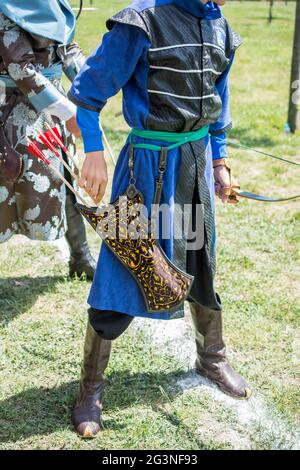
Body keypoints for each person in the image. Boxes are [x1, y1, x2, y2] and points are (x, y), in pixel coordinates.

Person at [69, 0, 252, 439]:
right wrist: (94, 151)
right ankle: (91, 387)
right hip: (145, 172)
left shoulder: (221, 26)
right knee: (125, 267)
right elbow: (89, 92)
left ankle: (211, 359)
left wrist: (219, 163)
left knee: (199, 263)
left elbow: (218, 103)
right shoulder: (141, 22)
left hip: (193, 165)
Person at [0, 0, 96, 279]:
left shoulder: (54, 3)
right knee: (3, 184)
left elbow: (67, 49)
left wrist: (90, 83)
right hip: (10, 111)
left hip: (51, 109)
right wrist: (69, 113)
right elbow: (21, 69)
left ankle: (81, 257)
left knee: (65, 177)